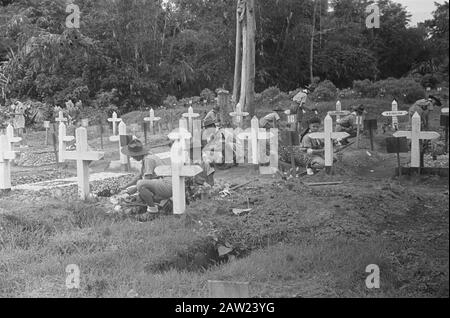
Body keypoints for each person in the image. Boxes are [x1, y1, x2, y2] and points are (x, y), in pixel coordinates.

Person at [120, 139, 173, 213]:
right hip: (165, 184)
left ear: (138, 154)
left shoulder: (148, 160)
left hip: (167, 185)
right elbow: (139, 176)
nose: (132, 157)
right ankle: (164, 204)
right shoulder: (146, 157)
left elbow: (145, 180)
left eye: (132, 155)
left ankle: (152, 211)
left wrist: (133, 190)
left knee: (141, 185)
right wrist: (125, 186)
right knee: (141, 187)